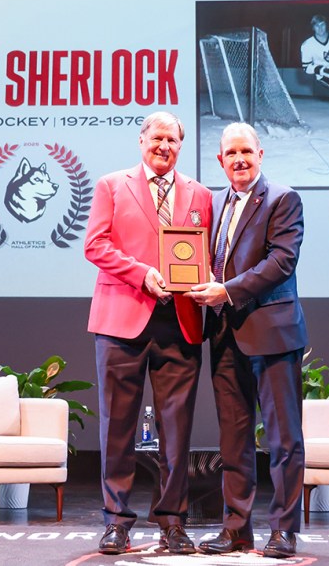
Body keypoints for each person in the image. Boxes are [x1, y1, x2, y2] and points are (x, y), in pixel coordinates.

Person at [84, 111, 213, 556]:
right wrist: (142, 274)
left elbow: (206, 254)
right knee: (117, 428)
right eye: (156, 138)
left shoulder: (201, 194)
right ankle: (117, 521)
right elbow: (95, 245)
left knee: (175, 431)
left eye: (172, 140)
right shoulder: (111, 186)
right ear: (141, 141)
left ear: (181, 146)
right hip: (122, 319)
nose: (164, 146)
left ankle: (173, 523)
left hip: (180, 322)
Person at [186, 122, 308, 558]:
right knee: (233, 440)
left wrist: (228, 290)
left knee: (283, 439)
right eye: (230, 153)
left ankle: (283, 531)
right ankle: (236, 528)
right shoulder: (212, 202)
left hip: (271, 334)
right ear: (220, 161)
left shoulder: (283, 199)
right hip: (222, 335)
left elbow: (282, 261)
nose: (238, 159)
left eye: (246, 151)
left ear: (260, 154)